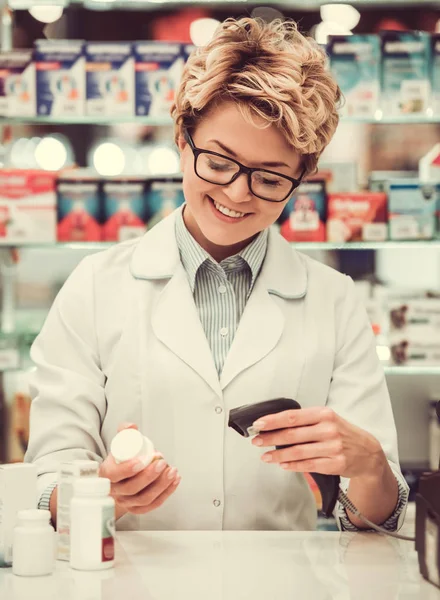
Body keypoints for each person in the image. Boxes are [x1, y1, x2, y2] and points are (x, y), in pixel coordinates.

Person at [25, 17, 409, 532]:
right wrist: (101, 493)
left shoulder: (334, 300)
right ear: (184, 141)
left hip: (281, 584)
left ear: (299, 181)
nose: (236, 193)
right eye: (219, 162)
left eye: (269, 178)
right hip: (133, 583)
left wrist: (368, 466)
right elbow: (47, 480)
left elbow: (376, 518)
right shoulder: (96, 286)